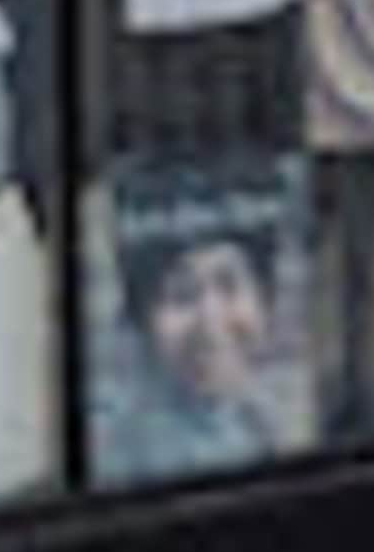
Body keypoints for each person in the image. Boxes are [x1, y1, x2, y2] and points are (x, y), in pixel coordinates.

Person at [106, 166, 298, 477]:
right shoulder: (124, 461)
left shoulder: (262, 429)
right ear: (139, 319)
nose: (211, 324)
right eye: (181, 295)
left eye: (229, 285)